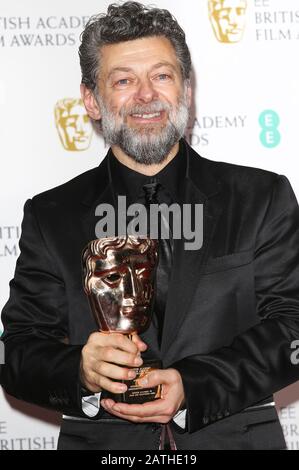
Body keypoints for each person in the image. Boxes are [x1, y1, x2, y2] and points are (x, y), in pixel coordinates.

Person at [1, 1, 299, 450]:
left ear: (185, 89)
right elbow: (17, 354)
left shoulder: (260, 197)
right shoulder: (51, 215)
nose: (146, 95)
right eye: (124, 80)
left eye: (161, 76)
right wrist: (81, 370)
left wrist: (193, 387)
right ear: (91, 100)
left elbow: (293, 327)